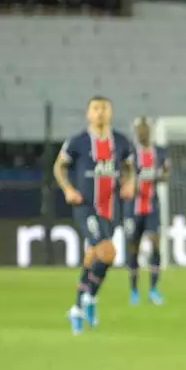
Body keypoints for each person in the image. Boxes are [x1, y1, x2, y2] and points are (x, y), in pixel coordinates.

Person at [53, 96, 136, 334]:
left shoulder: (120, 142)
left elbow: (130, 167)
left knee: (94, 255)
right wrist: (68, 189)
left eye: (104, 109)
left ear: (110, 113)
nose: (100, 113)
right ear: (88, 114)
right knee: (108, 251)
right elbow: (59, 166)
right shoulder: (78, 142)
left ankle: (80, 305)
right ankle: (88, 299)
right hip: (86, 205)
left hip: (112, 207)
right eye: (95, 109)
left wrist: (130, 183)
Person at [125, 117, 169, 305]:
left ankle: (153, 289)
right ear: (135, 132)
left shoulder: (159, 152)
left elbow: (166, 174)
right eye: (140, 129)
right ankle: (134, 290)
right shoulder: (130, 153)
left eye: (146, 129)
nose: (143, 132)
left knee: (155, 243)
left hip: (152, 206)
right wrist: (132, 182)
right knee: (133, 247)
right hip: (133, 207)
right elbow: (123, 176)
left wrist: (157, 176)